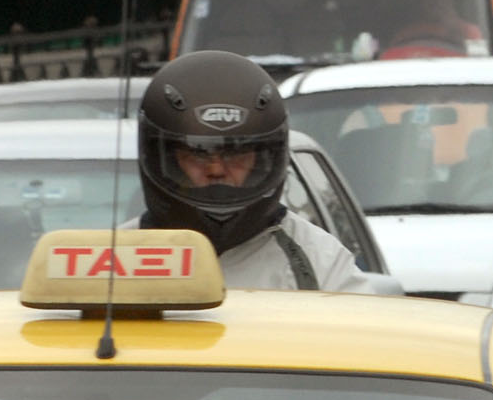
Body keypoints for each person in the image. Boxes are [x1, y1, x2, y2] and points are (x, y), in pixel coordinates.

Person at [136, 51, 375, 292]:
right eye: (198, 153)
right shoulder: (112, 260)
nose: (216, 169)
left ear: (266, 158)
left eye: (235, 153)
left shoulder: (320, 261)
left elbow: (364, 325)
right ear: (165, 158)